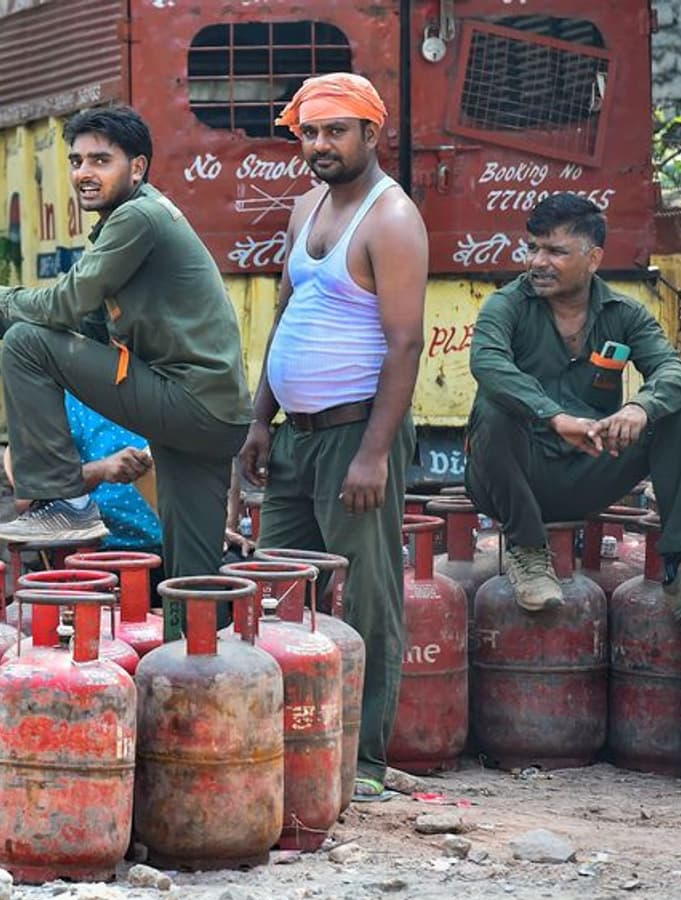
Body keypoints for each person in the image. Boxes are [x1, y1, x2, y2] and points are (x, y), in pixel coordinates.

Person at [0, 107, 252, 608]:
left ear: (136, 168)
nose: (83, 174)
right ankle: (202, 665)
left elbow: (65, 303)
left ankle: (64, 501)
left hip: (188, 401)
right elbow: (87, 322)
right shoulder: (133, 218)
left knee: (30, 344)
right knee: (192, 574)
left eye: (101, 160)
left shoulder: (138, 216)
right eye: (76, 161)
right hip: (214, 415)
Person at [238, 74, 428, 802]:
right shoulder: (305, 205)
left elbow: (405, 345)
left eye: (335, 131)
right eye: (310, 132)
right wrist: (262, 417)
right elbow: (285, 313)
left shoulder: (392, 220)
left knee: (368, 596)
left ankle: (368, 759)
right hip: (295, 435)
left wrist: (375, 452)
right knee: (282, 586)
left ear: (371, 135)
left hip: (356, 435)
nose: (319, 145)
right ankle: (294, 740)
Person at [463, 193, 681, 613]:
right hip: (513, 479)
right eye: (533, 247)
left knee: (673, 411)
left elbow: (674, 371)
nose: (538, 261)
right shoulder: (506, 307)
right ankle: (528, 551)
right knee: (493, 406)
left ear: (592, 258)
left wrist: (640, 408)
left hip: (587, 473)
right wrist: (555, 417)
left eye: (555, 251)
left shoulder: (624, 314)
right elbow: (486, 362)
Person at [4, 392, 162, 553]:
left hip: (176, 545)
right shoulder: (65, 404)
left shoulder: (163, 394)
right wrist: (100, 470)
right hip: (99, 552)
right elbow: (26, 500)